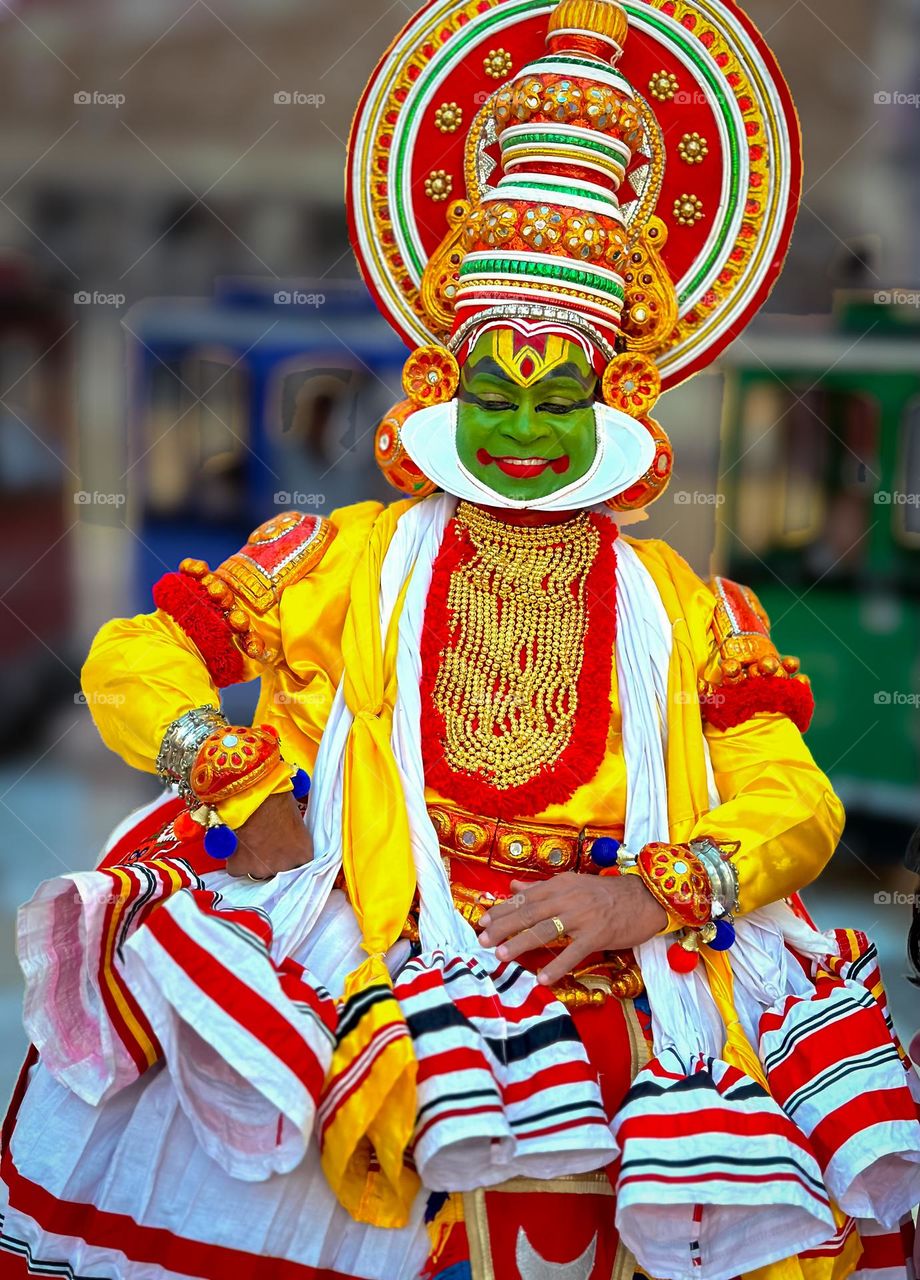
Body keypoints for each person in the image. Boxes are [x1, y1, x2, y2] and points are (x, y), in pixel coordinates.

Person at [2, 0, 919, 1277]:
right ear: (442, 385)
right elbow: (135, 657)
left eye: (561, 395)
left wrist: (643, 891)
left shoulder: (689, 608)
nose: (525, 427)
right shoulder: (340, 557)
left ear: (618, 400)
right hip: (369, 948)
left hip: (617, 966)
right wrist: (229, 772)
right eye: (495, 389)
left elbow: (791, 796)